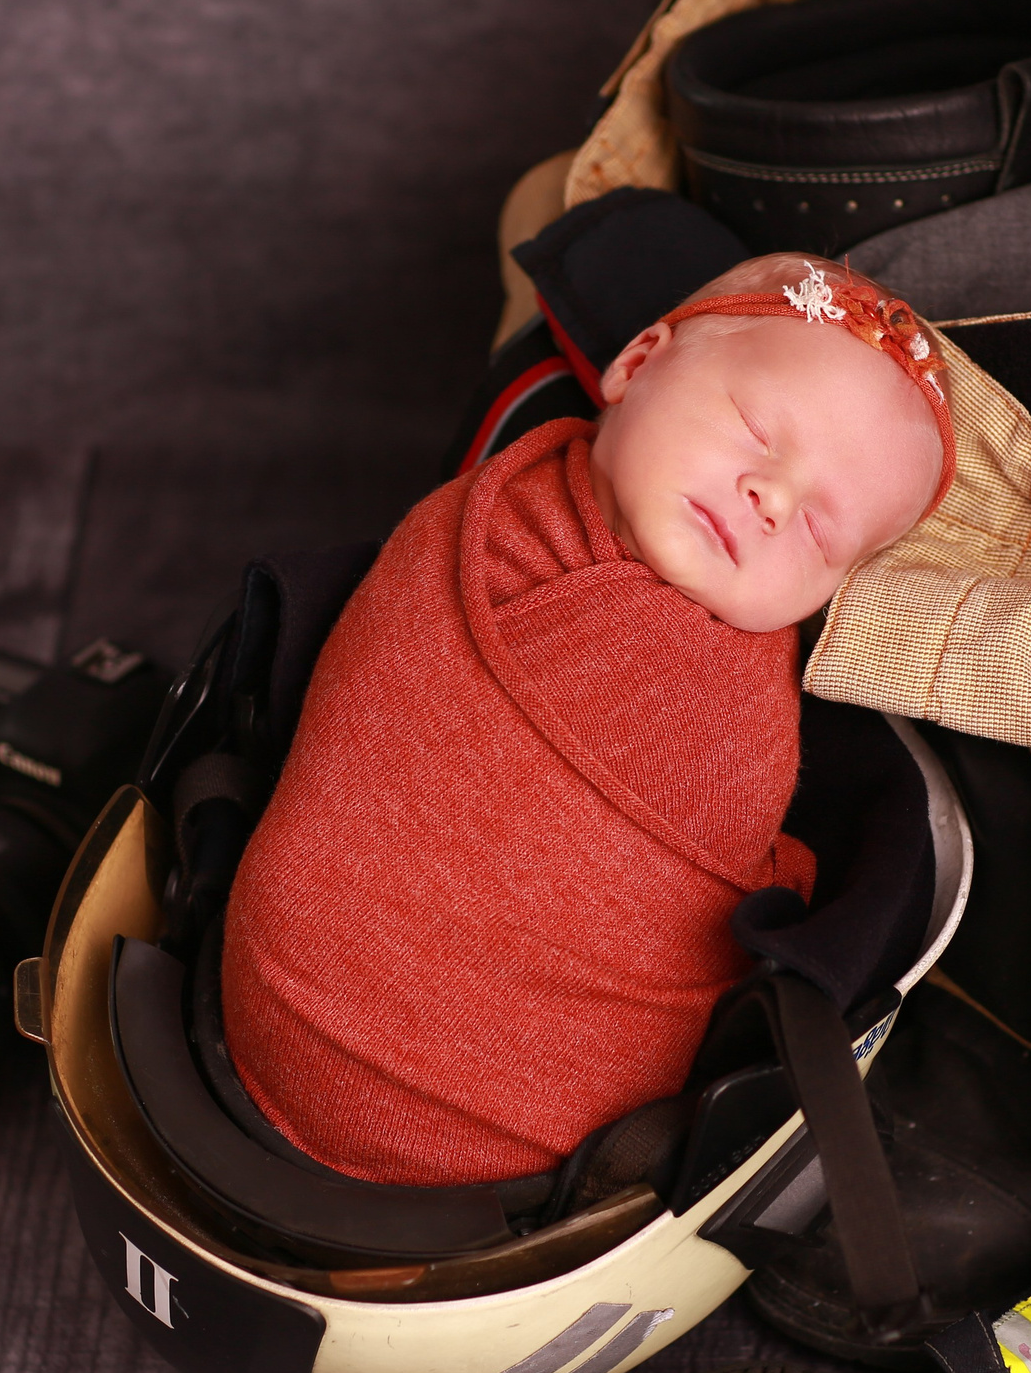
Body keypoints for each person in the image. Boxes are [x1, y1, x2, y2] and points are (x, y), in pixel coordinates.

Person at [220, 255, 954, 1185]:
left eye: (819, 530)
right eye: (757, 430)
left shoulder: (492, 498)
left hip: (268, 1000)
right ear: (638, 361)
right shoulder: (495, 526)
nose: (772, 500)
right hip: (514, 1135)